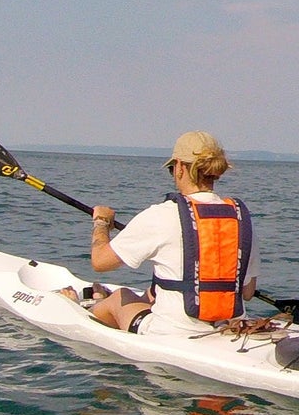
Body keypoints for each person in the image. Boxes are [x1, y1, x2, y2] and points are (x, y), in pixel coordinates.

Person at [82, 131, 259, 334]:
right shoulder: (240, 218)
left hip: (173, 331)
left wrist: (102, 223)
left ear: (181, 168)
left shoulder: (161, 215)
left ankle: (92, 304)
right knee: (151, 293)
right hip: (230, 326)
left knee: (119, 297)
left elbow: (100, 262)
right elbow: (247, 292)